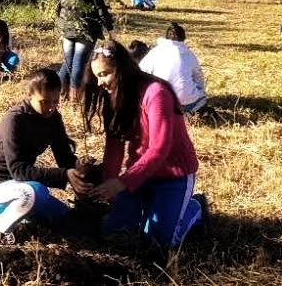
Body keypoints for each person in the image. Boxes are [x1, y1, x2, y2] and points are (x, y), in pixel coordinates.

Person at [82, 40, 207, 249]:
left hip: (173, 176)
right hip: (140, 176)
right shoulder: (114, 97)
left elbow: (159, 149)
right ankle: (150, 206)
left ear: (122, 69)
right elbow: (114, 145)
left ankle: (195, 207)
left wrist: (122, 183)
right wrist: (109, 184)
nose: (99, 83)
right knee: (115, 230)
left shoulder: (155, 93)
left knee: (158, 243)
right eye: (96, 76)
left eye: (104, 74)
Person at [0, 68, 91, 244]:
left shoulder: (54, 118)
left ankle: (27, 216)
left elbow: (64, 158)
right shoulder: (14, 119)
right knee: (36, 192)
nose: (50, 108)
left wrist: (79, 168)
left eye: (55, 101)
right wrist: (64, 174)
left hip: (25, 188)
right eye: (44, 102)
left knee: (72, 221)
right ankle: (1, 228)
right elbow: (18, 171)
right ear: (29, 94)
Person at [55, 0, 116, 102]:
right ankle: (74, 100)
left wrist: (60, 20)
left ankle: (59, 95)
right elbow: (98, 3)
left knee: (69, 62)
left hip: (66, 21)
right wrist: (109, 26)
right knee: (78, 63)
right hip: (86, 24)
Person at [139, 22, 207, 115]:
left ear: (166, 37)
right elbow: (199, 77)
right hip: (186, 103)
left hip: (159, 101)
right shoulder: (189, 54)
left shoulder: (155, 52)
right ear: (184, 39)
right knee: (202, 95)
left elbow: (140, 72)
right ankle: (187, 113)